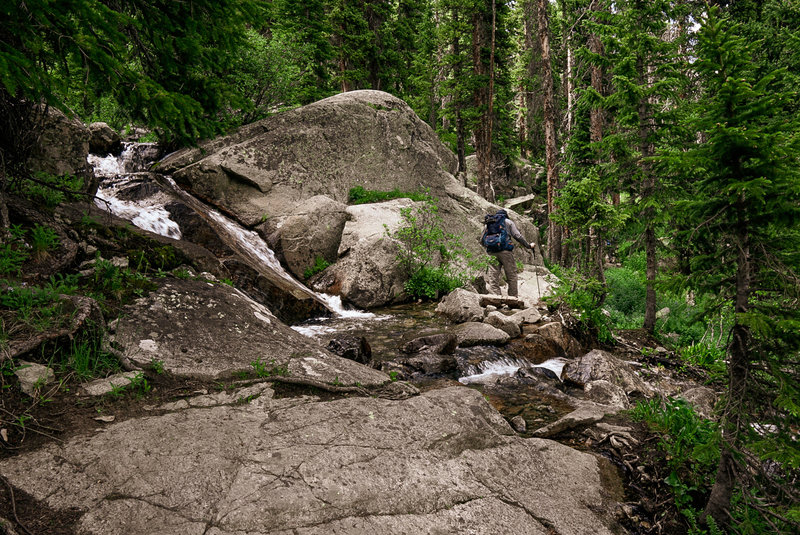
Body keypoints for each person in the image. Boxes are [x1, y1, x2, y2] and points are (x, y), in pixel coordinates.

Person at [479, 209, 535, 297]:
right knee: (511, 275)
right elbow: (517, 235)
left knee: (493, 275)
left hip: (491, 252)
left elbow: (481, 239)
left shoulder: (489, 223)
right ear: (505, 215)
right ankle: (512, 298)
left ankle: (496, 297)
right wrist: (528, 245)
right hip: (505, 252)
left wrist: (489, 246)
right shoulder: (508, 222)